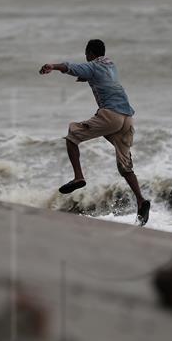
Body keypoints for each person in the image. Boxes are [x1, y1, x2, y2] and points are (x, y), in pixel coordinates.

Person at [39, 39, 151, 226]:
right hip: (127, 118)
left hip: (111, 115)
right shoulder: (110, 64)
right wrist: (86, 77)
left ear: (90, 53)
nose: (86, 57)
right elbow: (99, 76)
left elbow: (71, 67)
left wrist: (53, 66)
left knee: (72, 134)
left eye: (86, 54)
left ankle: (78, 177)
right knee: (125, 166)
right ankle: (141, 200)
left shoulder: (92, 66)